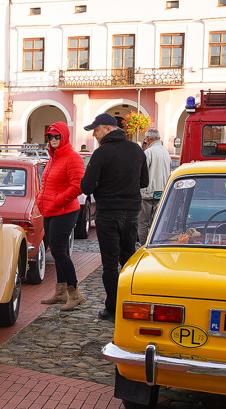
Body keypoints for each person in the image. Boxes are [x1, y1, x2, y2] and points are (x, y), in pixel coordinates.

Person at [81, 113, 148, 321]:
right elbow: (144, 181)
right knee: (128, 260)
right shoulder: (136, 150)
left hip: (109, 213)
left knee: (110, 263)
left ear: (108, 129)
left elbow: (86, 187)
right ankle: (130, 304)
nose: (94, 134)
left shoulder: (102, 153)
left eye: (96, 129)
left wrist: (104, 185)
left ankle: (112, 308)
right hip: (131, 213)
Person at [37, 122, 86, 311]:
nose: (54, 140)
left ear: (64, 136)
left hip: (64, 211)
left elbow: (78, 186)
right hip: (50, 210)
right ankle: (60, 292)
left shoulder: (72, 157)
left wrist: (57, 200)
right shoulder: (53, 157)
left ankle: (74, 294)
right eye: (51, 137)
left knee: (59, 252)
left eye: (57, 136)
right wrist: (41, 198)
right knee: (56, 251)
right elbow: (47, 184)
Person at [138, 129, 172, 245]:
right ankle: (156, 245)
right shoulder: (166, 152)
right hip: (162, 191)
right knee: (158, 223)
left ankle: (144, 247)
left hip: (148, 192)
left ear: (147, 138)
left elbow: (142, 172)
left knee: (143, 223)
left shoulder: (148, 152)